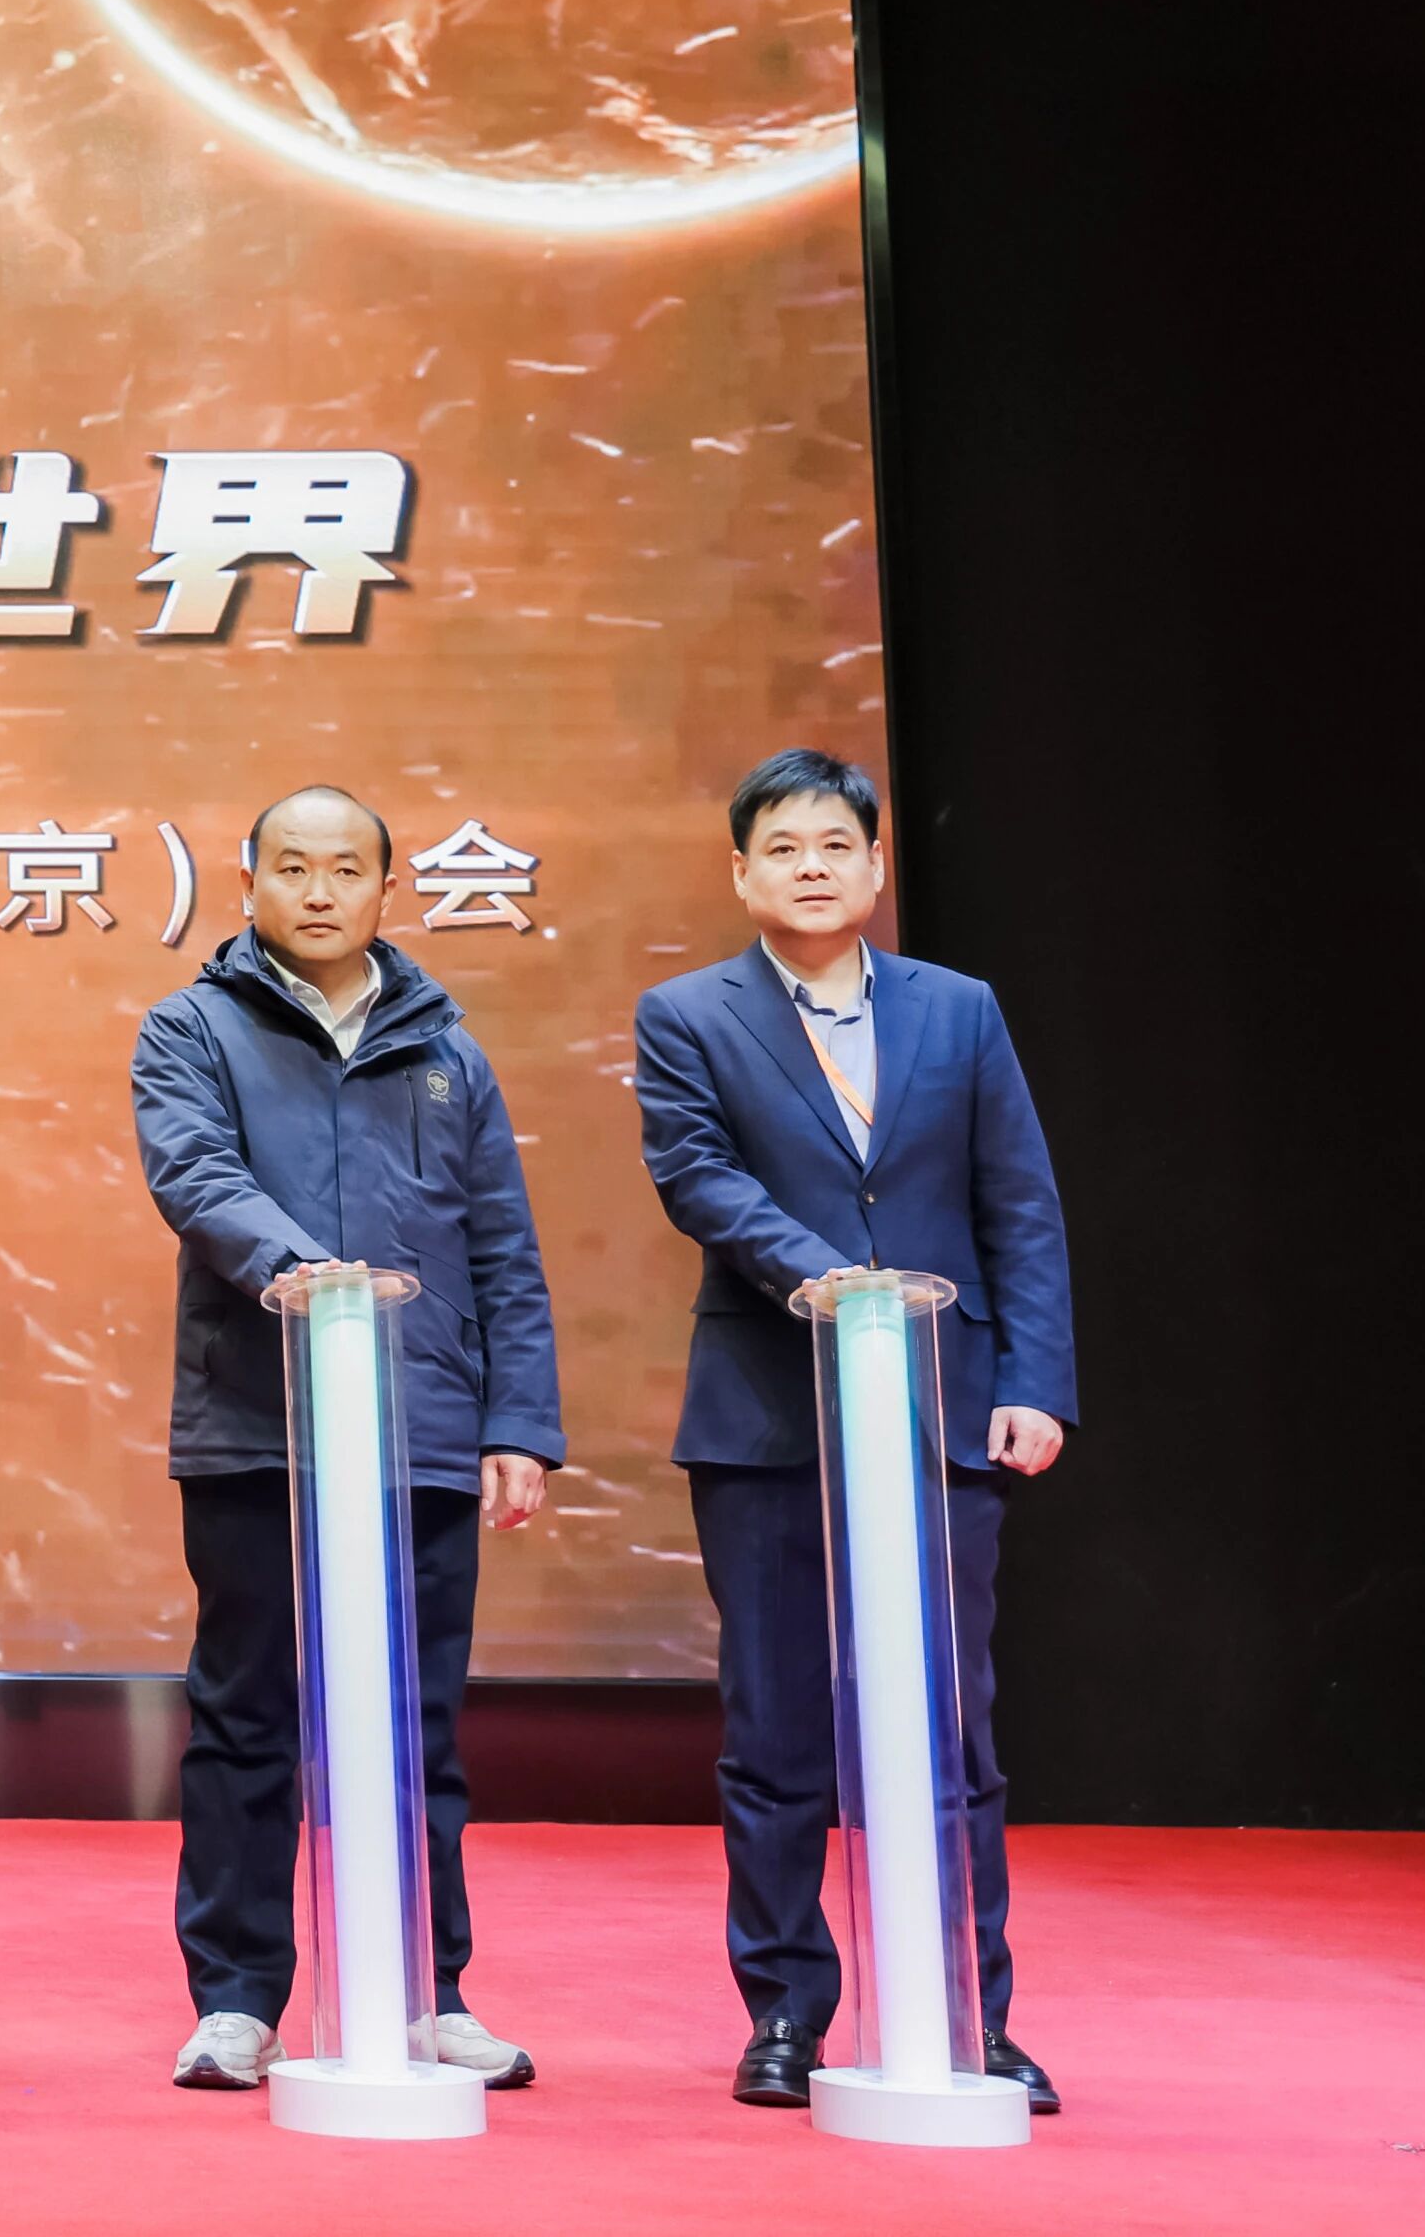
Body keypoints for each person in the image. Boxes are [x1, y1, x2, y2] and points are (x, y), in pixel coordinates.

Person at [633, 748, 1075, 2114]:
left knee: (950, 1728)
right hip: (766, 1417)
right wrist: (825, 1276)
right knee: (776, 1731)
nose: (812, 865)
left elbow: (1018, 1201)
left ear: (877, 865)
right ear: (741, 873)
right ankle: (786, 2010)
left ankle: (968, 2011)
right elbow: (696, 1174)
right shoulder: (687, 1014)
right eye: (783, 846)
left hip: (944, 1410)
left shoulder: (960, 1009)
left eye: (836, 843)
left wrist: (1036, 1380)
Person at [133, 785, 559, 2096]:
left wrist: (518, 1419)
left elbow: (501, 1243)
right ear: (247, 882)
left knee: (416, 1727)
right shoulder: (191, 1026)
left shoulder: (448, 1051)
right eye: (292, 867)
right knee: (246, 1718)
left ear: (386, 888)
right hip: (256, 1429)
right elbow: (195, 1175)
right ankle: (237, 1999)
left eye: (345, 869)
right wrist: (309, 1275)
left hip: (417, 1428)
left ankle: (428, 1990)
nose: (318, 891)